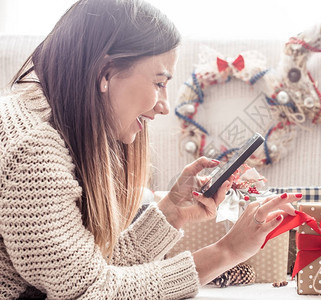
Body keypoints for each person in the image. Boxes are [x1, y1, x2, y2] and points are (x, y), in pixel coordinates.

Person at [0, 0, 300, 299]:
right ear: (106, 73)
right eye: (159, 83)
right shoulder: (34, 150)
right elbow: (88, 290)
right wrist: (226, 251)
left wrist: (172, 212)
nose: (165, 106)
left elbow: (87, 270)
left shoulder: (39, 119)